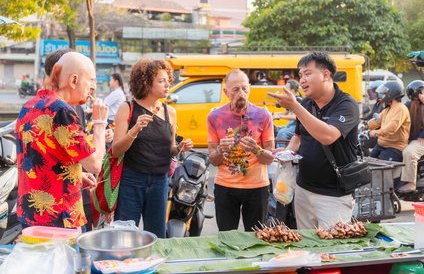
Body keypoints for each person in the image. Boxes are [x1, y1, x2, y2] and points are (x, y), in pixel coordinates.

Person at [16, 52, 108, 228]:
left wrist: (76, 175)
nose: (93, 88)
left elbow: (40, 157)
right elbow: (95, 164)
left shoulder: (30, 105)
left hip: (30, 214)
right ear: (74, 80)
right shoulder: (62, 111)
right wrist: (100, 123)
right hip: (59, 219)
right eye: (91, 80)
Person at [268, 52, 359, 230]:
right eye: (300, 75)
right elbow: (298, 137)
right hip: (303, 190)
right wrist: (286, 153)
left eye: (308, 73)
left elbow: (328, 136)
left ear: (326, 75)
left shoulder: (347, 104)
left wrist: (294, 106)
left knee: (332, 249)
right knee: (307, 248)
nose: (302, 80)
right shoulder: (307, 104)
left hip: (334, 196)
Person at [112, 59, 193, 238]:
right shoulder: (128, 108)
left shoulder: (170, 112)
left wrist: (179, 147)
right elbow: (116, 150)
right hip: (131, 181)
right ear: (146, 83)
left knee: (157, 235)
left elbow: (170, 149)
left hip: (160, 181)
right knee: (125, 234)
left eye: (168, 80)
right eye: (161, 81)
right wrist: (135, 130)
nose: (167, 85)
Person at [207, 69, 275, 232]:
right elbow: (213, 160)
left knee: (256, 239)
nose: (241, 94)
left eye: (245, 88)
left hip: (257, 187)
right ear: (226, 92)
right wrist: (221, 150)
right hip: (226, 187)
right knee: (227, 238)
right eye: (236, 89)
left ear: (250, 88)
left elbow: (270, 158)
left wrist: (256, 150)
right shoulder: (215, 117)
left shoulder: (263, 115)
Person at [398, 80, 424, 193]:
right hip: (409, 140)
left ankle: (411, 183)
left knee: (409, 153)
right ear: (416, 94)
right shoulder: (405, 107)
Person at [368, 81, 410, 162]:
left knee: (380, 170)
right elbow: (377, 121)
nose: (381, 96)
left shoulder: (401, 109)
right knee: (368, 164)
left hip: (394, 147)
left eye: (383, 93)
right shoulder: (387, 109)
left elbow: (392, 128)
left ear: (391, 94)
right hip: (381, 144)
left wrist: (376, 132)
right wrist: (367, 125)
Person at [274, 79, 303, 148]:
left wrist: (279, 117)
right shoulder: (290, 100)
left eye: (286, 88)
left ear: (293, 90)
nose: (284, 91)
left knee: (282, 132)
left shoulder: (298, 100)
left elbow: (295, 117)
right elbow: (284, 113)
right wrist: (271, 114)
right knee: (274, 128)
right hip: (289, 126)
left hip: (296, 127)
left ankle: (281, 154)